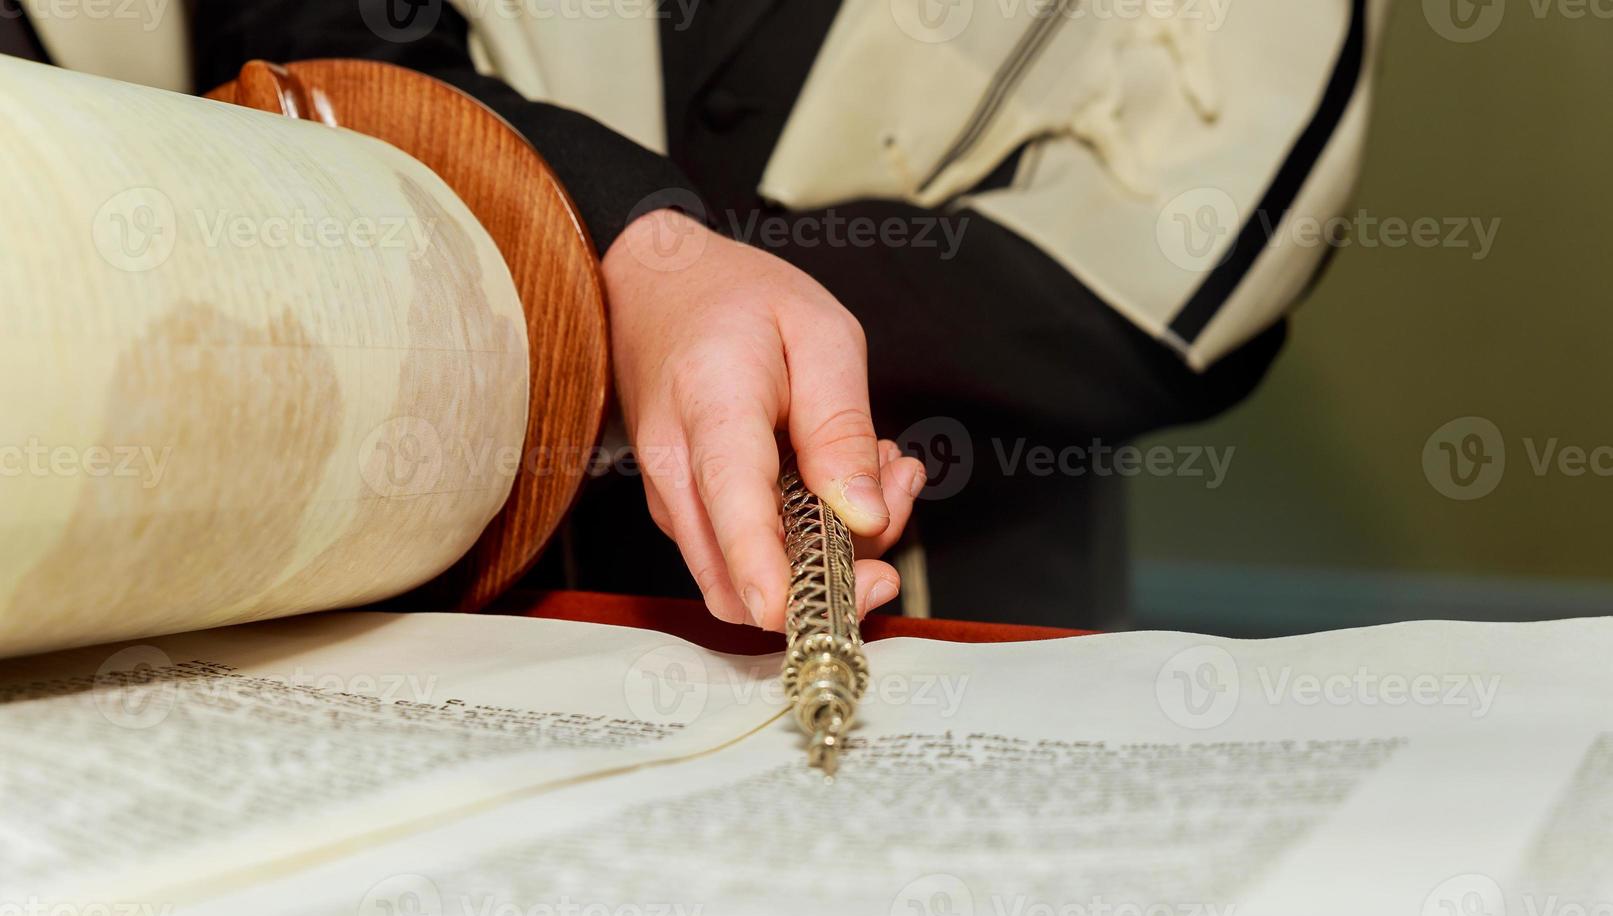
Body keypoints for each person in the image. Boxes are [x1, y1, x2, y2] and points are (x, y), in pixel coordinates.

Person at [24, 0, 1388, 629]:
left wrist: (636, 263)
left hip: (937, 587)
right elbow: (325, 42)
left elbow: (1154, 287)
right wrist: (628, 247)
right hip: (449, 589)